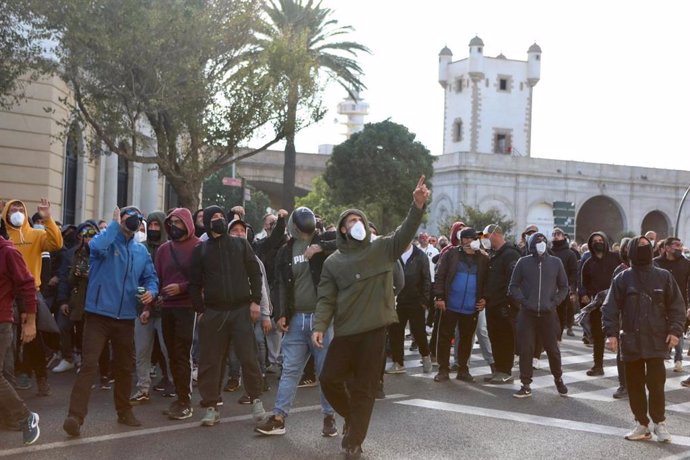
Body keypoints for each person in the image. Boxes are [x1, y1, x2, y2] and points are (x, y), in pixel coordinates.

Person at [313, 176, 430, 459]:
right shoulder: (333, 262)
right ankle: (353, 419)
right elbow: (326, 298)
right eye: (350, 221)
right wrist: (319, 326)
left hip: (375, 330)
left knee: (365, 389)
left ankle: (354, 440)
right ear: (342, 229)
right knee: (329, 379)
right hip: (345, 331)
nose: (357, 225)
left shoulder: (382, 248)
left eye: (360, 220)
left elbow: (405, 232)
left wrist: (417, 205)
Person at [62, 206, 159, 436]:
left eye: (135, 218)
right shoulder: (105, 243)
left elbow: (151, 277)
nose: (130, 221)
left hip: (125, 317)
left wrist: (151, 293)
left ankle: (124, 411)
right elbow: (95, 246)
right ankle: (75, 417)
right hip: (98, 315)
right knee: (88, 365)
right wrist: (115, 225)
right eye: (126, 218)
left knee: (124, 367)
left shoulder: (140, 251)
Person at [255, 207, 338, 437]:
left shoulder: (324, 240)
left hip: (322, 320)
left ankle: (329, 417)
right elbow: (281, 284)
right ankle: (279, 417)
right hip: (296, 319)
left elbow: (349, 242)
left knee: (325, 373)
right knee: (290, 370)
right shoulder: (285, 251)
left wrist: (322, 247)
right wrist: (281, 313)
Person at [602, 236, 685, 442]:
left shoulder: (663, 276)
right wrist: (611, 334)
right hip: (630, 339)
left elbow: (677, 306)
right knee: (634, 384)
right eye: (638, 247)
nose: (643, 250)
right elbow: (610, 307)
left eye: (646, 247)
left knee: (657, 384)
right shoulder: (622, 278)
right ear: (630, 251)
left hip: (657, 339)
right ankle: (642, 424)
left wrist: (675, 332)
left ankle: (660, 423)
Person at [189, 206, 265, 427]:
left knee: (249, 358)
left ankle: (257, 401)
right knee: (210, 362)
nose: (220, 220)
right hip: (214, 312)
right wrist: (201, 310)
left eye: (222, 216)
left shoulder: (241, 244)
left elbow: (255, 273)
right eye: (215, 218)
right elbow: (194, 285)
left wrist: (255, 301)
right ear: (207, 223)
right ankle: (211, 407)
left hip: (241, 310)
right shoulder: (201, 250)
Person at [1, 199, 63, 396]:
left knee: (34, 339)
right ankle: (17, 377)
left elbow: (56, 243)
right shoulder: (5, 236)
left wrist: (47, 218)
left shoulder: (36, 234)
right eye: (13, 210)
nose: (17, 212)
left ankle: (41, 376)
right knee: (10, 339)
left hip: (30, 292)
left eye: (20, 209)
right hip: (8, 295)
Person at [150, 208, 200, 420]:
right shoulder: (163, 250)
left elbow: (203, 279)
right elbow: (156, 278)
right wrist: (151, 301)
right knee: (171, 353)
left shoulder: (199, 247)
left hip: (188, 307)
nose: (174, 227)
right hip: (167, 308)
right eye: (172, 223)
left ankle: (185, 400)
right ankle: (178, 396)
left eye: (179, 223)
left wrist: (181, 288)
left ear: (188, 223)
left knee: (182, 353)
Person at [509, 232, 569, 398]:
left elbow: (564, 286)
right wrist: (524, 301)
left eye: (543, 240)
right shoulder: (523, 262)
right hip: (527, 314)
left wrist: (555, 301)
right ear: (530, 245)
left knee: (552, 350)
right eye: (537, 241)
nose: (540, 243)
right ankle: (526, 384)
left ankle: (558, 379)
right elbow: (513, 286)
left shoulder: (556, 263)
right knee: (526, 349)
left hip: (548, 313)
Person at [0, 232, 41, 445]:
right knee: (5, 373)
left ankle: (26, 418)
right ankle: (12, 418)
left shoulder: (8, 252)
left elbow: (27, 284)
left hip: (1, 322)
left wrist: (31, 321)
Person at [432, 227, 488, 383]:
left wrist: (485, 299)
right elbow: (440, 276)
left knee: (466, 339)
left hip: (471, 307)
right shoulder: (451, 254)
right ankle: (443, 369)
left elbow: (487, 283)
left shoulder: (483, 259)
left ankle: (463, 369)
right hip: (449, 305)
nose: (470, 241)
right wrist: (439, 297)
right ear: (462, 240)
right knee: (444, 337)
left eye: (473, 238)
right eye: (467, 238)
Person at [481, 224, 521, 384]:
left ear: (495, 234)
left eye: (485, 236)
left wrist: (507, 303)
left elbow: (512, 282)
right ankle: (498, 369)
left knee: (505, 338)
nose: (484, 240)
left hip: (504, 305)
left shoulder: (510, 254)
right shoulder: (495, 255)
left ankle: (505, 371)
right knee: (495, 337)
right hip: (492, 305)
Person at [386, 240, 432, 375]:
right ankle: (398, 363)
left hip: (415, 301)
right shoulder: (392, 254)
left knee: (419, 332)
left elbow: (426, 279)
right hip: (397, 300)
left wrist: (424, 301)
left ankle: (426, 356)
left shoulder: (420, 255)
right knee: (395, 332)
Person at [580, 232, 621, 375]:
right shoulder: (588, 263)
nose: (598, 242)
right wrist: (585, 294)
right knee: (598, 336)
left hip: (617, 302)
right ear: (591, 244)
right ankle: (598, 365)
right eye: (595, 241)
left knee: (619, 335)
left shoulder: (615, 258)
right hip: (597, 304)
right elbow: (584, 282)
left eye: (600, 240)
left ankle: (624, 372)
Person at [653, 237, 690, 374]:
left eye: (681, 245)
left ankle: (678, 358)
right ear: (667, 248)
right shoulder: (655, 263)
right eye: (676, 245)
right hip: (659, 304)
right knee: (660, 330)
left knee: (677, 330)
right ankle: (661, 355)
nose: (679, 248)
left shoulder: (686, 264)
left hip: (679, 304)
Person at [550, 228, 578, 339]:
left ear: (563, 236)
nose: (556, 236)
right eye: (554, 234)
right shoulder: (548, 252)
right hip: (548, 289)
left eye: (558, 234)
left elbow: (573, 273)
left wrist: (570, 289)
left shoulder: (570, 253)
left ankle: (558, 337)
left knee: (561, 314)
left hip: (562, 290)